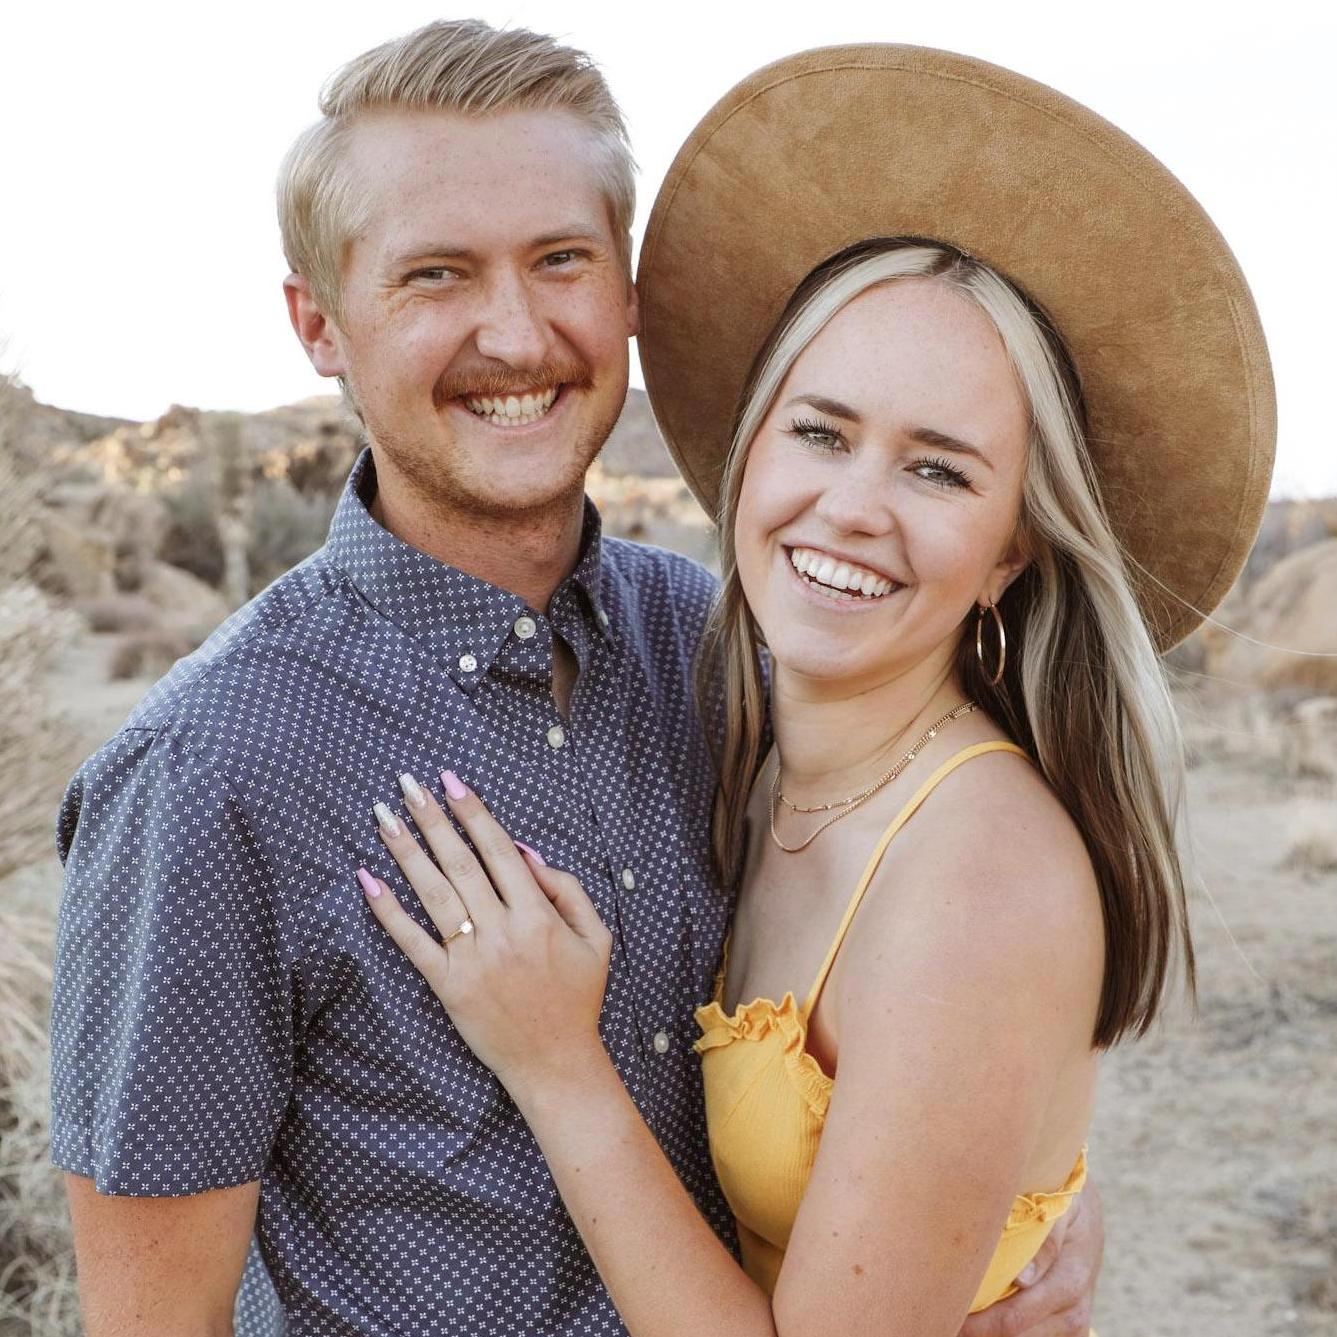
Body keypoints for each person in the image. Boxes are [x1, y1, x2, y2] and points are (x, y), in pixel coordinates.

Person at [48, 25, 1105, 1336]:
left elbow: (937, 984)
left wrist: (1008, 1207)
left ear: (628, 296)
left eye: (560, 261)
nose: (515, 329)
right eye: (436, 274)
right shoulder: (208, 773)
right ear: (318, 322)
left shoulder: (716, 647)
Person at [358, 43, 1275, 1337]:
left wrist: (559, 1071)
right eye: (822, 431)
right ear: (750, 446)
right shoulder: (730, 728)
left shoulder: (979, 872)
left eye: (939, 470)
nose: (850, 509)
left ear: (1013, 547)